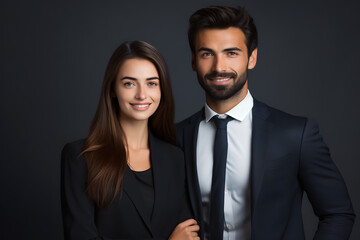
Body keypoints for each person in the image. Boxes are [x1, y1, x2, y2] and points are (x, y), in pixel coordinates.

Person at [176, 6, 355, 240]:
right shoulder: (175, 137)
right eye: (207, 54)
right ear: (193, 61)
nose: (219, 67)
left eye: (231, 53)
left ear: (252, 57)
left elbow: (338, 213)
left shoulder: (295, 134)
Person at [61, 41, 200, 240]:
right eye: (129, 83)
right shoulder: (80, 158)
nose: (142, 94)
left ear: (162, 90)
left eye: (151, 83)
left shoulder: (176, 157)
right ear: (112, 90)